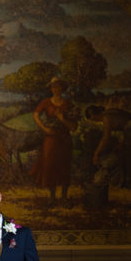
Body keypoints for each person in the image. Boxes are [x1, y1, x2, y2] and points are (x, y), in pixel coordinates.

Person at [30, 76, 78, 206]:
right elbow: (35, 115)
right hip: (50, 139)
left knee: (64, 166)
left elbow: (73, 127)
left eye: (58, 86)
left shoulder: (68, 104)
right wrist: (44, 128)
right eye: (53, 87)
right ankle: (52, 198)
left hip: (64, 140)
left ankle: (64, 197)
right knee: (50, 166)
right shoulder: (46, 102)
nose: (56, 89)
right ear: (51, 89)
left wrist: (62, 119)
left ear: (62, 88)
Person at [85, 105, 131, 208]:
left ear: (95, 115)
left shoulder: (106, 118)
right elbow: (128, 124)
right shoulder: (110, 112)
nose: (95, 121)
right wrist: (123, 143)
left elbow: (106, 138)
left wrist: (96, 153)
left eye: (93, 119)